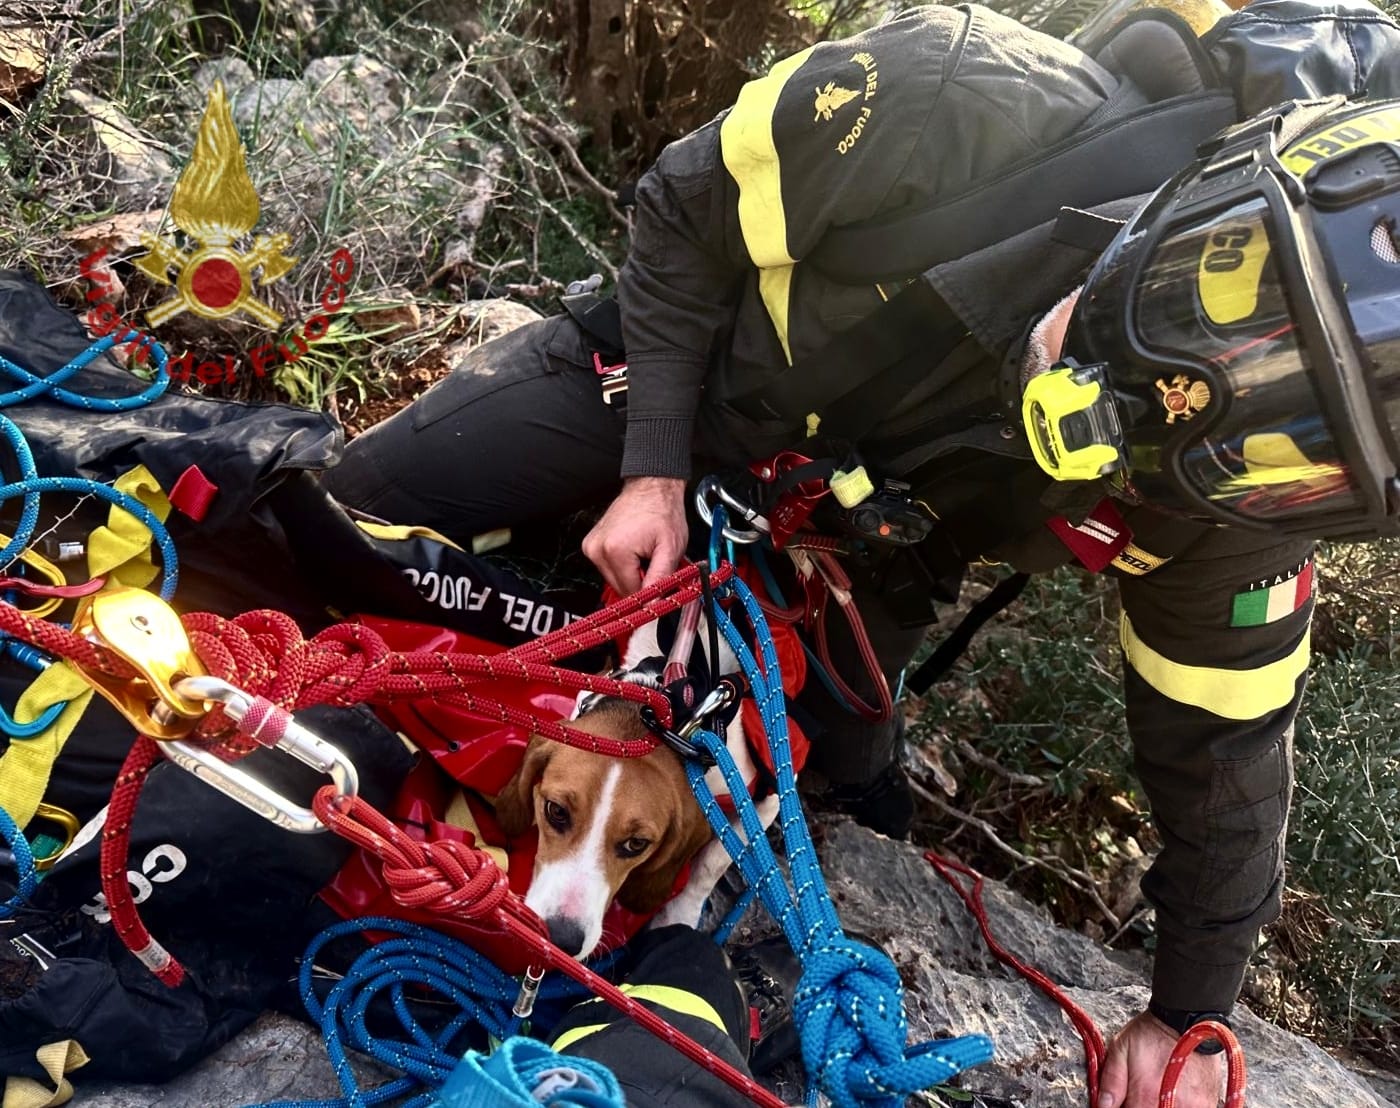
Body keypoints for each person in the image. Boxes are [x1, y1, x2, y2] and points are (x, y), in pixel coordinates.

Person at [322, 2, 1400, 1105]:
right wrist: (652, 468)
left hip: (852, 551)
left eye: (1287, 441)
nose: (1169, 410)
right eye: (1214, 307)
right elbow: (684, 206)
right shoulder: (958, 101)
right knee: (346, 516)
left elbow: (1225, 754)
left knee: (851, 783)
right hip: (685, 383)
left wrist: (1189, 1013)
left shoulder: (1229, 508)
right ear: (1208, 208)